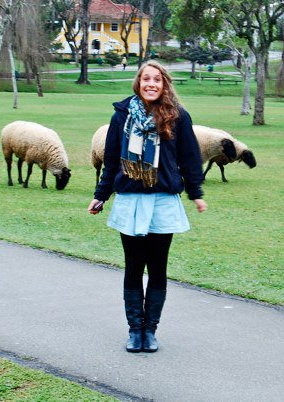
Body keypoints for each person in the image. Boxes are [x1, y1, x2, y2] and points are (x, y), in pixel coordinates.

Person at [88, 60, 207, 353]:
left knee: (157, 268)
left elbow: (190, 158)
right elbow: (112, 159)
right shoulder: (122, 116)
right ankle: (134, 330)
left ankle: (150, 331)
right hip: (130, 199)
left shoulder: (178, 117)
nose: (151, 84)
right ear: (138, 83)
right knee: (133, 267)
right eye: (145, 79)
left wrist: (196, 193)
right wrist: (101, 194)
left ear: (164, 84)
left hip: (163, 201)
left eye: (157, 79)